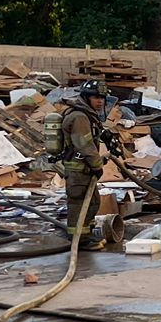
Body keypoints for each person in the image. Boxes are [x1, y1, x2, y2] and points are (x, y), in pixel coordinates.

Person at [59, 81, 109, 250]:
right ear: (86, 98)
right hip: (78, 169)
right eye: (96, 97)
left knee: (93, 202)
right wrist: (97, 165)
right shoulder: (80, 117)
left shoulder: (87, 115)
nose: (100, 101)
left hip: (85, 168)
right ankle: (78, 239)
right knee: (79, 203)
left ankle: (86, 234)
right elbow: (84, 144)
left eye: (102, 97)